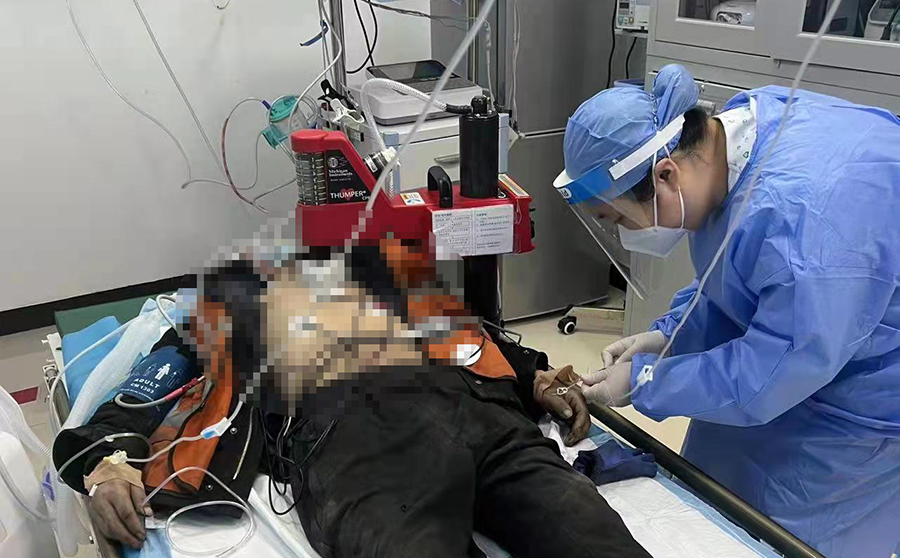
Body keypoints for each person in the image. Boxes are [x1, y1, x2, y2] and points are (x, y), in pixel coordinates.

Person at [53, 239, 651, 558]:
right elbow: (144, 391)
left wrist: (534, 378)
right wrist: (108, 463)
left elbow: (478, 338)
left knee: (591, 535)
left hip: (479, 414)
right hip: (357, 432)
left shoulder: (397, 282)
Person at [553, 63, 900, 558]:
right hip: (808, 344)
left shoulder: (804, 228)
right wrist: (668, 335)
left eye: (617, 218)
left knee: (778, 537)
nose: (623, 232)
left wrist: (646, 381)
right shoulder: (734, 140)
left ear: (666, 174)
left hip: (860, 408)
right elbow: (739, 280)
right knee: (704, 496)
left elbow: (767, 374)